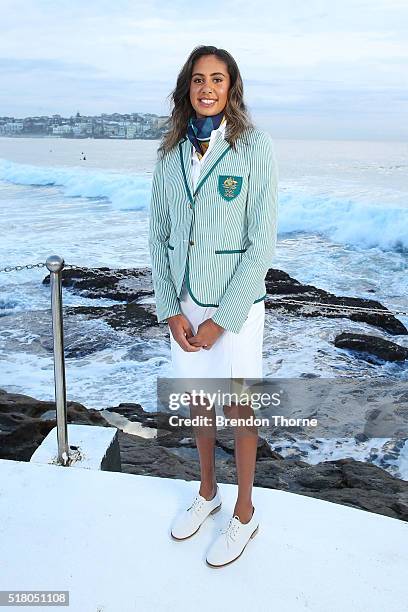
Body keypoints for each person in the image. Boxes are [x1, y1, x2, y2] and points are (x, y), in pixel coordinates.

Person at [148, 45, 278, 567]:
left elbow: (260, 242)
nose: (207, 88)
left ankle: (245, 514)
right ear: (188, 88)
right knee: (199, 401)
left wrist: (223, 319)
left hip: (238, 307)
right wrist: (170, 308)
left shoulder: (254, 148)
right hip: (184, 302)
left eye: (217, 79)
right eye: (199, 79)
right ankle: (208, 492)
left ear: (232, 88)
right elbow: (158, 235)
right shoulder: (170, 152)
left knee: (240, 405)